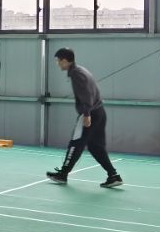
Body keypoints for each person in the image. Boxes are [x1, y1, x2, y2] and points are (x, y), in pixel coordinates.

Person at [46, 48, 122, 188]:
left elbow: (87, 94)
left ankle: (63, 174)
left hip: (90, 114)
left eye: (58, 61)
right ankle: (113, 176)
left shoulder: (76, 73)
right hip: (99, 112)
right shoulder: (80, 70)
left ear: (65, 60)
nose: (57, 64)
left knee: (75, 143)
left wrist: (86, 115)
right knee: (95, 147)